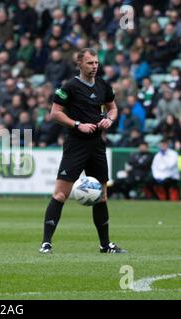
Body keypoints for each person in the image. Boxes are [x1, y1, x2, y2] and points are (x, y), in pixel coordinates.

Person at [39, 48, 126, 254]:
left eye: (96, 63)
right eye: (90, 63)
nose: (94, 66)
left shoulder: (104, 85)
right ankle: (46, 243)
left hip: (96, 145)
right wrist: (78, 124)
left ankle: (105, 245)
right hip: (76, 144)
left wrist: (109, 119)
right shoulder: (69, 87)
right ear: (80, 64)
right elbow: (55, 113)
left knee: (102, 196)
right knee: (61, 194)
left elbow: (112, 107)